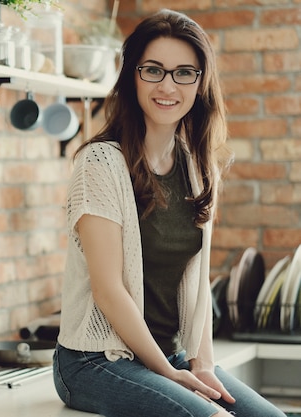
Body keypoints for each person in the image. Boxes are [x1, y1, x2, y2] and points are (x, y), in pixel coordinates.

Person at [53, 9, 286, 417]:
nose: (167, 85)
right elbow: (108, 291)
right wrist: (168, 373)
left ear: (200, 82)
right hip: (94, 362)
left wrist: (203, 365)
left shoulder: (198, 167)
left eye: (184, 73)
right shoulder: (100, 164)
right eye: (153, 70)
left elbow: (197, 284)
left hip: (170, 356)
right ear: (133, 76)